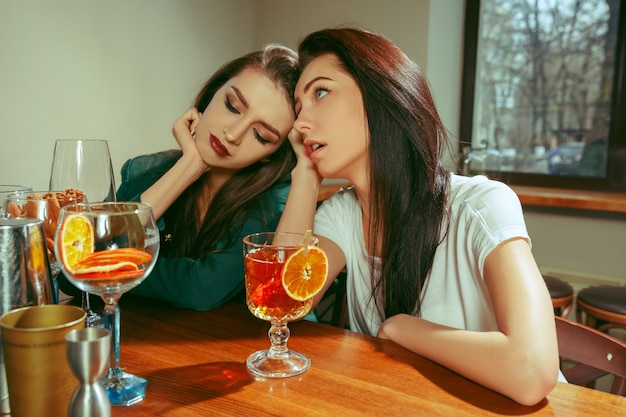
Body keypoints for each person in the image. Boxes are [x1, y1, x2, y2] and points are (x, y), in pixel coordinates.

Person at [277, 27, 559, 405]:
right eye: (298, 108)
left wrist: (401, 327)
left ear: (382, 94)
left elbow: (531, 372)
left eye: (321, 92)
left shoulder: (481, 205)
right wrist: (305, 177)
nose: (299, 124)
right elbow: (283, 303)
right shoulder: (340, 216)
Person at [59, 44, 299, 311]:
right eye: (232, 106)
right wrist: (188, 168)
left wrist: (107, 267)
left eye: (261, 136)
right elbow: (71, 277)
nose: (233, 134)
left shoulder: (275, 204)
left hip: (225, 348)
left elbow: (201, 289)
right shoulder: (145, 172)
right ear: (211, 94)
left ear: (271, 154)